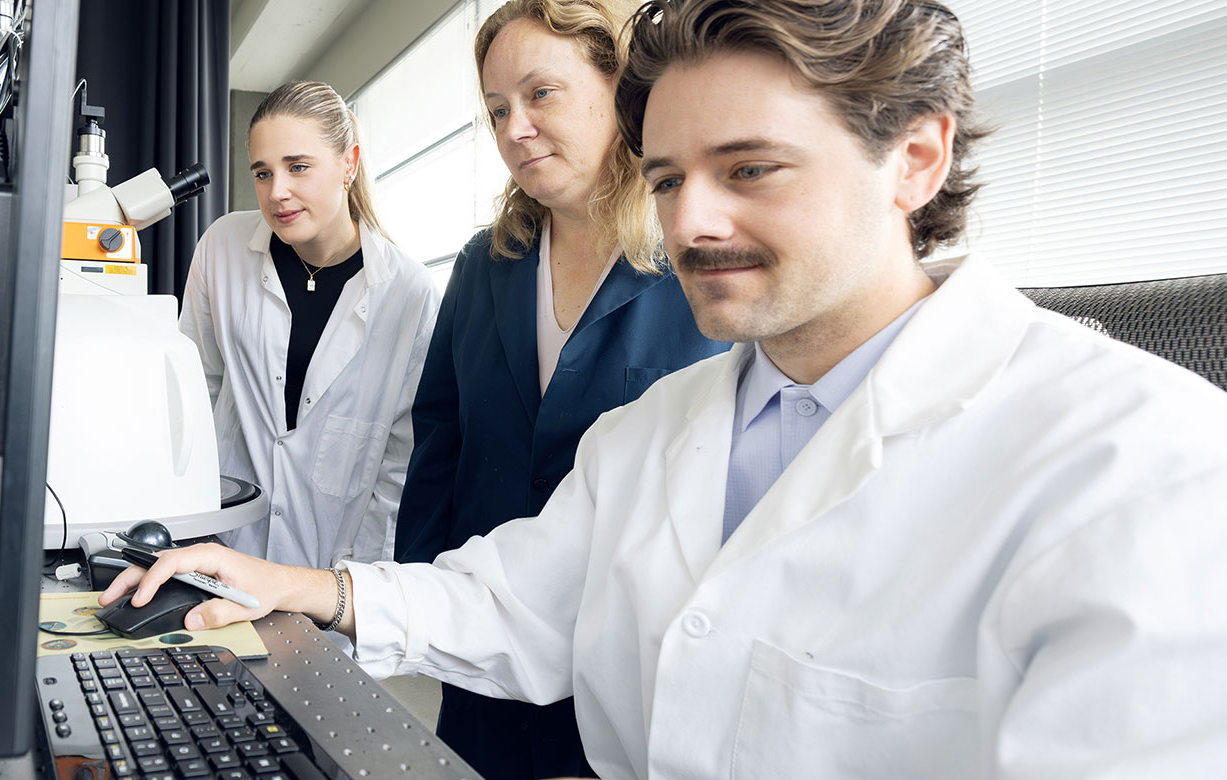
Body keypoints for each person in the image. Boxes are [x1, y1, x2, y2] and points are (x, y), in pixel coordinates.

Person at [111, 0, 1227, 776]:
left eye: (749, 169)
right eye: (668, 178)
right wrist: (303, 586)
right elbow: (517, 600)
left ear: (917, 160)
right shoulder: (660, 430)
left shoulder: (1145, 465)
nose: (692, 222)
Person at [394, 1, 726, 775]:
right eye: (497, 108)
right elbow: (440, 435)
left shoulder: (700, 263)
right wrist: (421, 589)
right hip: (483, 642)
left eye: (541, 94)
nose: (514, 129)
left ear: (620, 89)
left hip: (632, 658)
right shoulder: (486, 263)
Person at [179, 80, 440, 572]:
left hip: (331, 572)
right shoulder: (222, 246)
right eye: (262, 172)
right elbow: (194, 393)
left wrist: (355, 584)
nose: (278, 192)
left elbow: (398, 463)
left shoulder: (409, 292)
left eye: (298, 167)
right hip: (221, 549)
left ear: (349, 164)